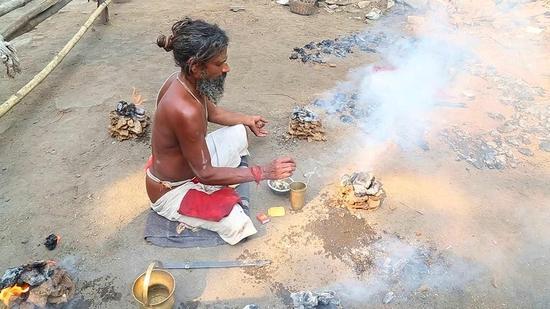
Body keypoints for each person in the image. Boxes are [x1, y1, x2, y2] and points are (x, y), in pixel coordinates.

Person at [146, 17, 296, 245]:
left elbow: (213, 114)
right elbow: (205, 173)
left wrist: (247, 119)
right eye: (219, 63)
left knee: (238, 130)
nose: (226, 68)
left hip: (193, 164)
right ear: (196, 66)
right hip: (171, 191)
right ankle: (189, 206)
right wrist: (263, 172)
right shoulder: (185, 110)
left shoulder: (184, 81)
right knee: (240, 225)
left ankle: (215, 187)